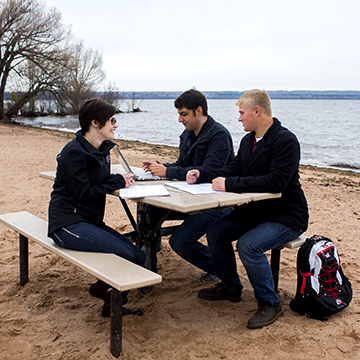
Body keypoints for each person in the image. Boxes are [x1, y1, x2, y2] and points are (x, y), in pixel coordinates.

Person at [186, 89, 309, 328]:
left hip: (286, 215)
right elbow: (233, 167)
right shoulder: (248, 140)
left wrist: (230, 184)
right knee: (216, 232)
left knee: (248, 246)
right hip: (256, 211)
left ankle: (270, 304)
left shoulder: (286, 140)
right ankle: (231, 287)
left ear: (257, 111)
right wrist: (201, 174)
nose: (239, 118)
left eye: (242, 113)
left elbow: (276, 182)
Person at [47, 98, 145, 318]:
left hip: (89, 221)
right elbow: (83, 192)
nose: (115, 125)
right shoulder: (74, 152)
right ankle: (112, 306)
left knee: (138, 256)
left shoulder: (101, 149)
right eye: (111, 120)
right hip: (66, 223)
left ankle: (102, 291)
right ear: (95, 123)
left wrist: (119, 179)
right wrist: (117, 181)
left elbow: (97, 180)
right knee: (126, 254)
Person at [142, 89, 234, 280]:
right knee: (149, 213)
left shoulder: (219, 135)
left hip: (217, 203)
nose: (180, 120)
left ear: (198, 111)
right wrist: (161, 167)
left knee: (180, 242)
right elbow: (182, 165)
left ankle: (218, 267)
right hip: (189, 198)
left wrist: (168, 172)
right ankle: (147, 269)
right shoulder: (188, 134)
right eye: (179, 114)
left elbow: (209, 172)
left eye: (183, 114)